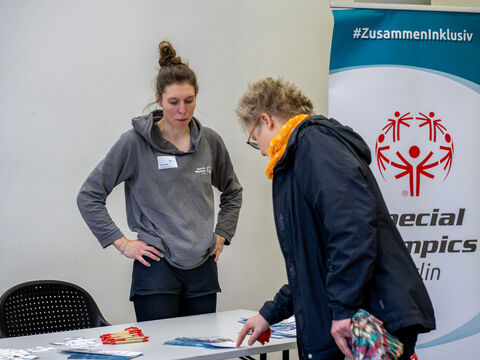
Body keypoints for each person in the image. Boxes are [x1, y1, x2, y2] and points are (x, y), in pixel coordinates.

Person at [234, 77, 435, 360]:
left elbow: (353, 229)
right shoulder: (301, 154)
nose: (264, 151)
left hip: (366, 320)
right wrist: (270, 313)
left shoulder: (314, 145)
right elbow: (313, 265)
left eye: (256, 140)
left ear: (266, 120)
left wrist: (343, 309)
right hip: (352, 317)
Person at [77, 41, 242, 322]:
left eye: (189, 101)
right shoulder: (134, 144)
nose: (182, 110)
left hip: (202, 268)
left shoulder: (210, 142)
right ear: (158, 99)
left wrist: (223, 232)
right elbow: (89, 196)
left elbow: (233, 191)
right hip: (157, 269)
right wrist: (121, 243)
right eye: (173, 102)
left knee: (201, 352)